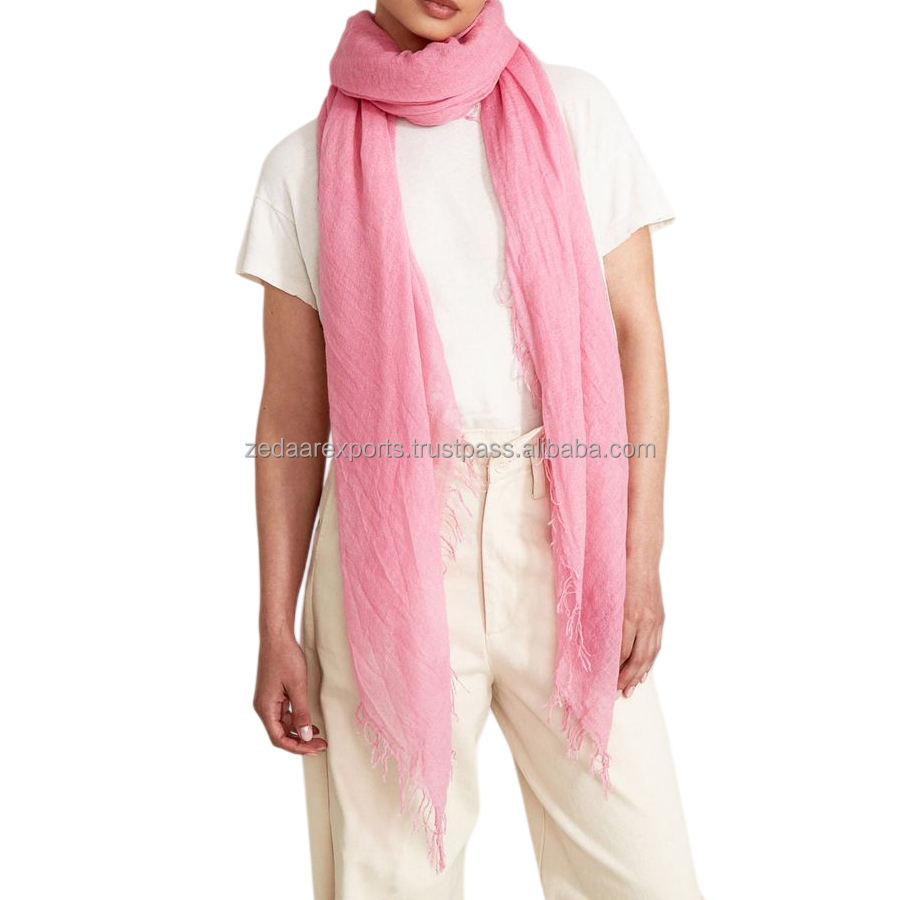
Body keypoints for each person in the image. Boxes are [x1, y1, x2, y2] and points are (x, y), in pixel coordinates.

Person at [236, 1, 702, 897]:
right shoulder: (302, 166)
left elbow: (636, 337)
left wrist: (640, 553)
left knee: (647, 874)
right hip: (388, 549)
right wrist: (274, 624)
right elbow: (291, 417)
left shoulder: (572, 110)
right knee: (392, 876)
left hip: (566, 534)